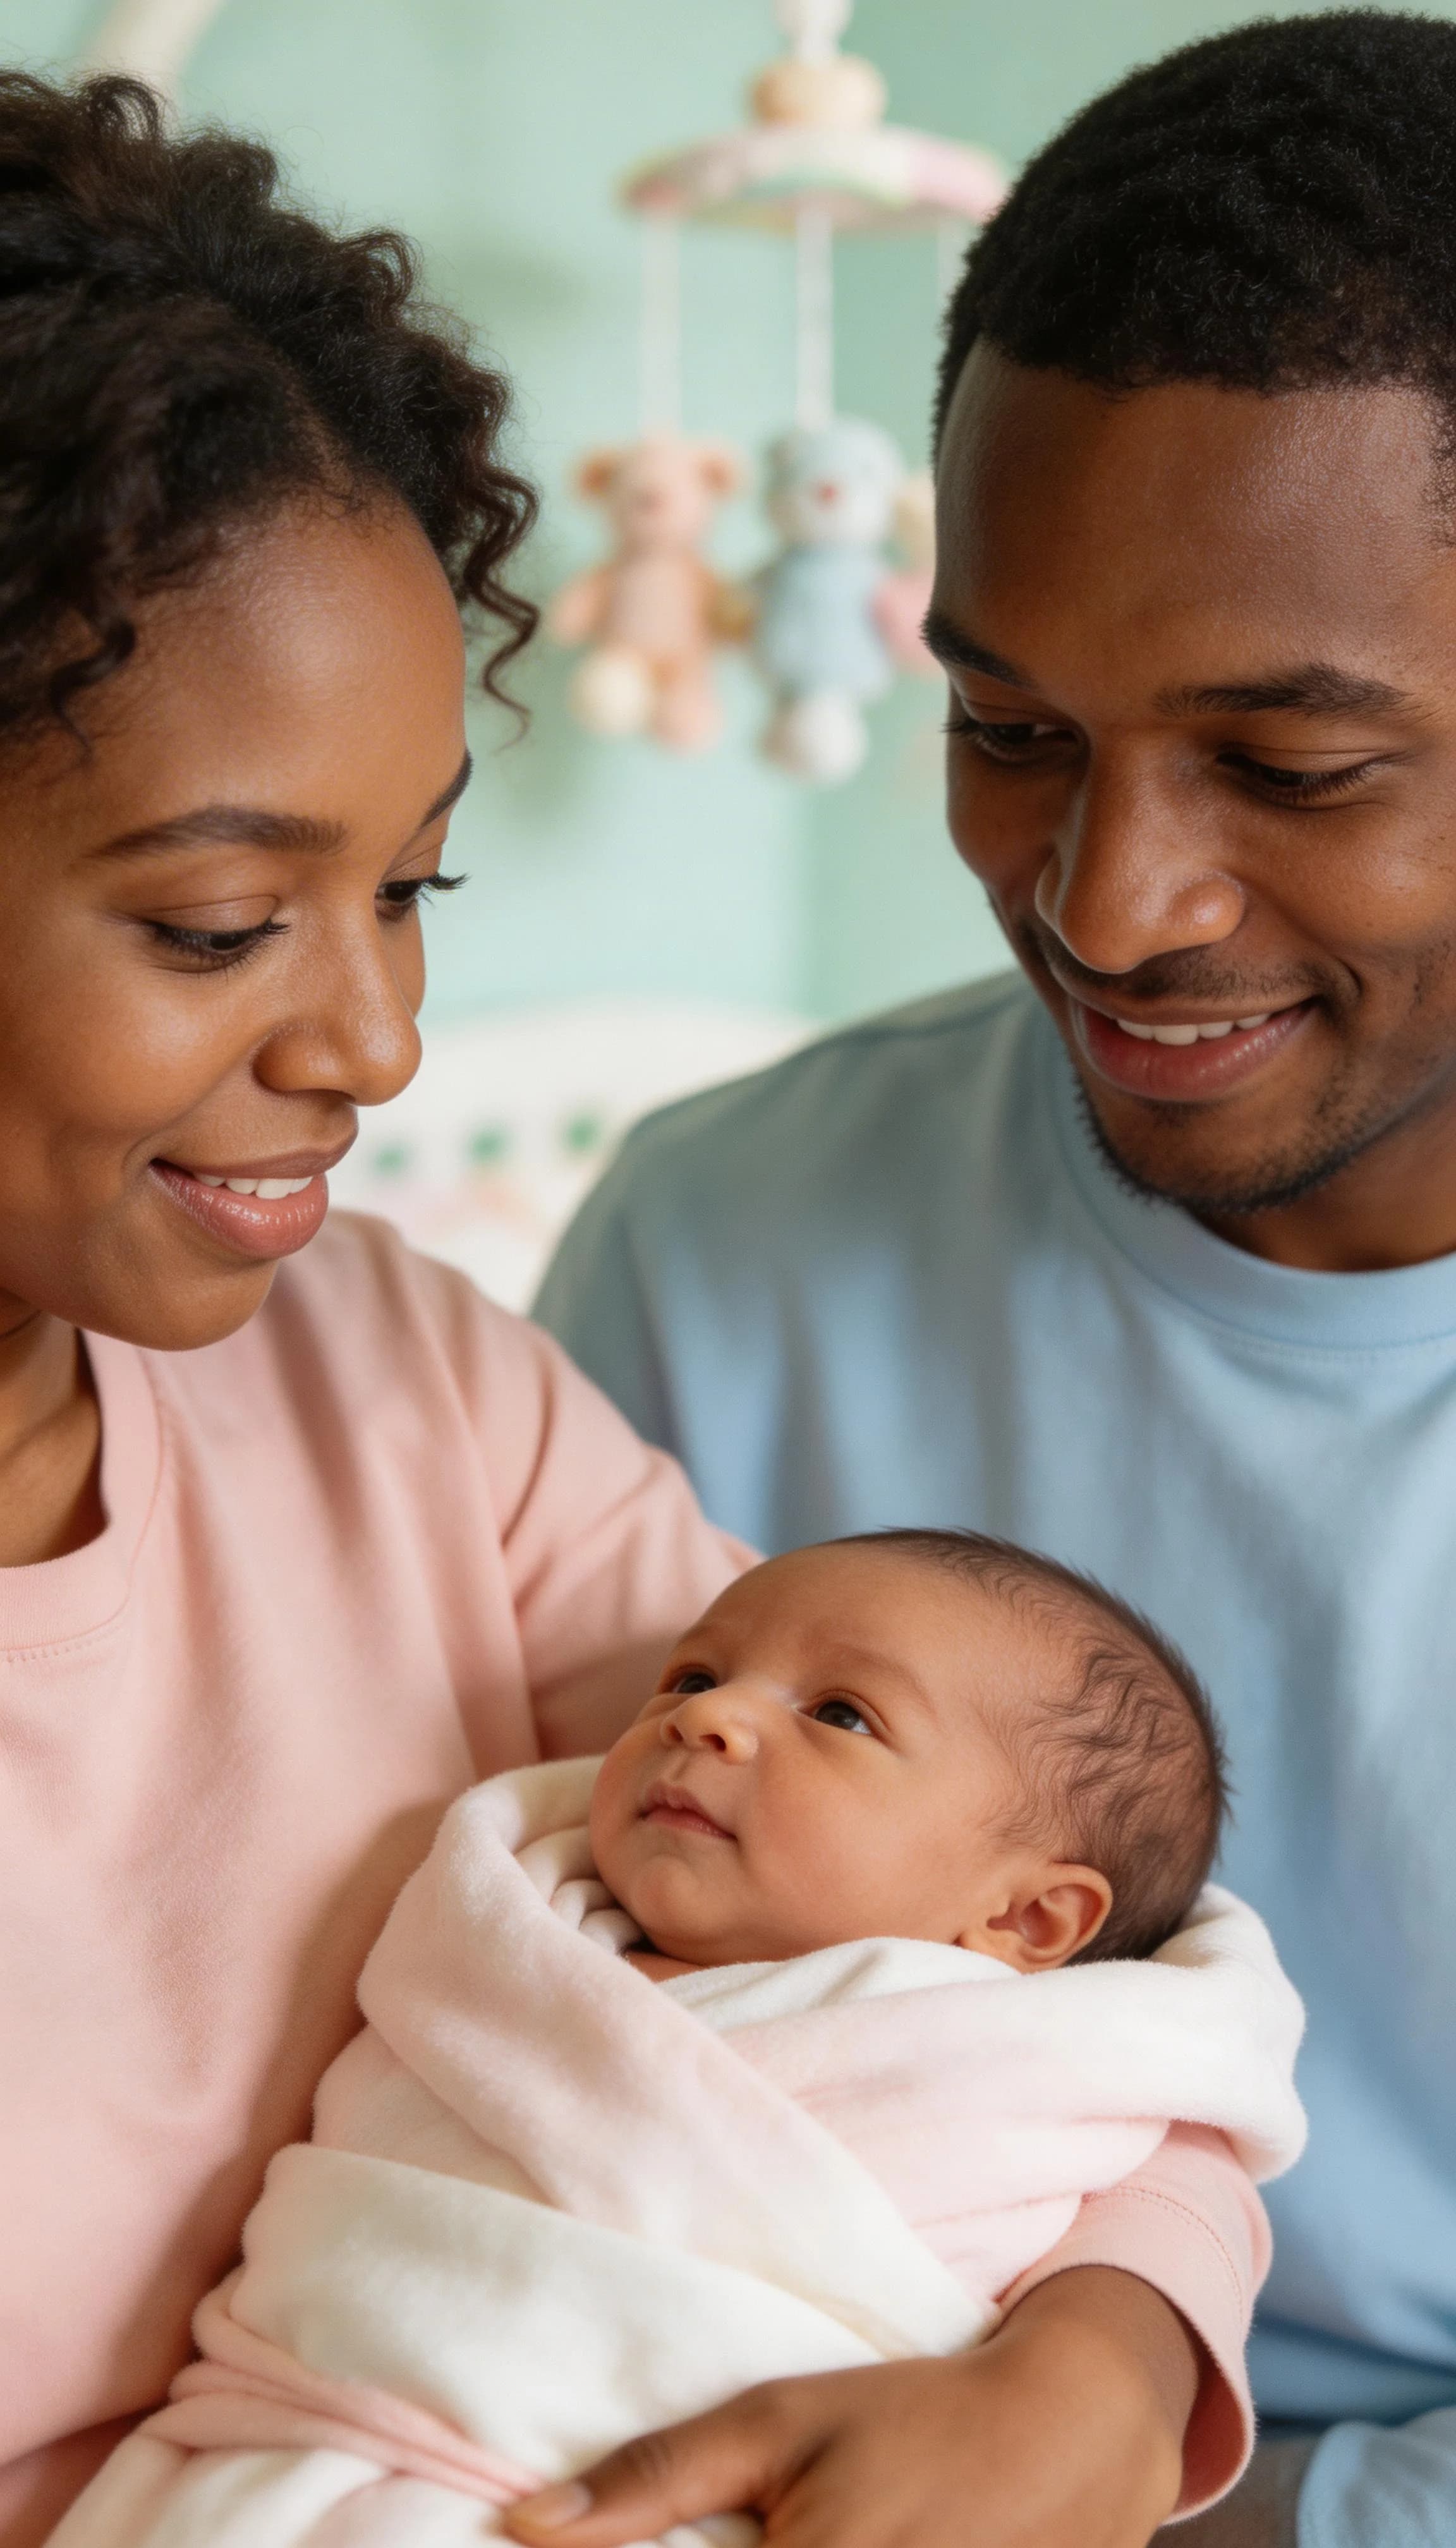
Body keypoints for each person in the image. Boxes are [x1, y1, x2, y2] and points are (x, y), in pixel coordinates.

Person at [0, 66, 1260, 2548]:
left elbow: (1046, 1938)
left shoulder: (417, 1405)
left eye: (411, 898)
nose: (372, 1048)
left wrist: (1110, 2355)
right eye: (222, 923)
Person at [536, 12, 1456, 2544]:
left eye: (1293, 764)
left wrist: (1122, 2448)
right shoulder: (719, 1252)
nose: (1111, 904)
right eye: (1013, 728)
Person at [52, 1533, 1304, 2547]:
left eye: (842, 1715)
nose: (708, 1720)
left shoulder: (1017, 2053)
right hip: (272, 2463)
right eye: (696, 1678)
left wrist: (1111, 2366)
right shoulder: (515, 1937)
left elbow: (1174, 2153)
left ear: (1029, 1917)